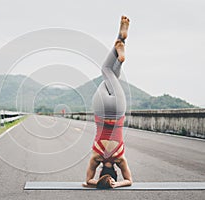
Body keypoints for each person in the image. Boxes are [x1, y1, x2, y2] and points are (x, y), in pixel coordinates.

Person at [83, 16, 133, 189]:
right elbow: (86, 182)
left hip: (119, 109)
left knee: (112, 75)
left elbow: (130, 181)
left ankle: (120, 43)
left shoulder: (120, 157)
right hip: (101, 109)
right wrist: (99, 183)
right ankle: (120, 42)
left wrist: (115, 184)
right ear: (100, 170)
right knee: (106, 71)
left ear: (115, 173)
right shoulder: (95, 157)